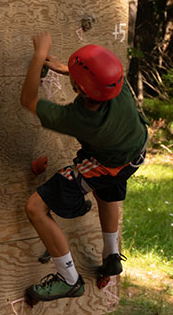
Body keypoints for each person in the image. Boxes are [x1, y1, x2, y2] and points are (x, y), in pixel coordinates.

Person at [20, 32, 147, 301]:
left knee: (35, 207)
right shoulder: (120, 87)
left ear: (79, 89)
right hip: (133, 154)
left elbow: (28, 101)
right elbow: (103, 83)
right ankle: (111, 255)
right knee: (107, 187)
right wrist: (69, 70)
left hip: (107, 164)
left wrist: (39, 55)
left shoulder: (80, 118)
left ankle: (69, 279)